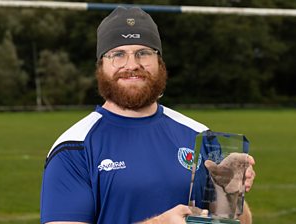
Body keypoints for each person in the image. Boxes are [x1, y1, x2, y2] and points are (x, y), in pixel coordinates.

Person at [40, 6, 256, 224]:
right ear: (101, 65)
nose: (132, 65)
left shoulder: (200, 135)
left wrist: (230, 192)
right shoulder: (74, 148)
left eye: (143, 53)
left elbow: (237, 221)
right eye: (118, 54)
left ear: (159, 62)